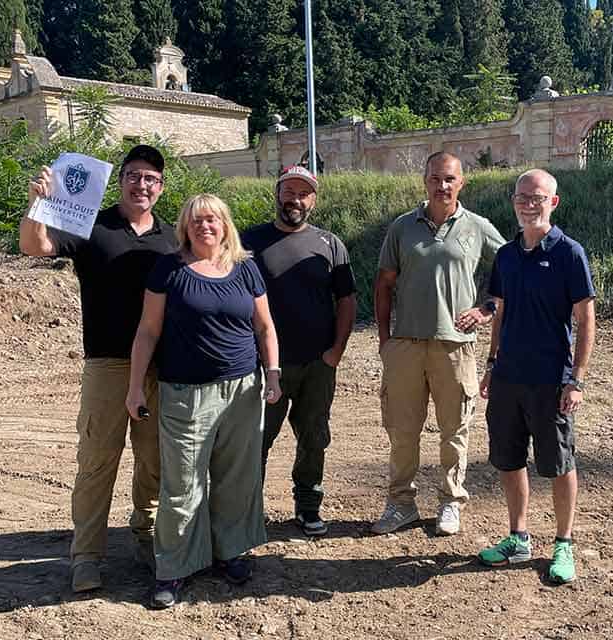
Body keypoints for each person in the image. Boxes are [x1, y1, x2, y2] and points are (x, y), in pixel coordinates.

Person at [20, 145, 175, 594]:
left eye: (150, 178)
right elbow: (36, 246)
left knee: (155, 461)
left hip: (160, 370)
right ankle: (86, 555)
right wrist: (37, 205)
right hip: (108, 364)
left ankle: (145, 538)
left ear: (160, 187)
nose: (141, 184)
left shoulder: (171, 237)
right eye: (133, 175)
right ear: (121, 179)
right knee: (96, 461)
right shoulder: (91, 224)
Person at [126, 193, 281, 609]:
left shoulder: (246, 269)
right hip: (185, 394)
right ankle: (173, 569)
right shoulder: (169, 269)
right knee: (182, 485)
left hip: (243, 391)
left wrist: (273, 374)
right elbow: (147, 331)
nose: (204, 226)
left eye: (212, 219)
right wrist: (135, 386)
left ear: (225, 224)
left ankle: (229, 553)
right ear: (185, 227)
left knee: (236, 477)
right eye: (196, 221)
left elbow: (265, 327)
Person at [372, 151, 506, 537]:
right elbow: (383, 285)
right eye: (435, 178)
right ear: (425, 181)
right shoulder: (402, 228)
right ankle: (401, 505)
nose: (442, 186)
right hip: (406, 347)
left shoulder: (477, 228)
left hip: (455, 346)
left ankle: (450, 502)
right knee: (402, 431)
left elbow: (510, 271)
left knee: (454, 431)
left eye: (449, 179)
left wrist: (486, 309)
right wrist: (385, 340)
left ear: (461, 182)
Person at [477, 169, 596, 585]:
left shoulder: (569, 254)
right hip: (509, 377)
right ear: (514, 202)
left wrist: (575, 379)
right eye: (522, 197)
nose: (529, 204)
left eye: (537, 197)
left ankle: (563, 543)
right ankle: (518, 537)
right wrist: (491, 364)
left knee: (560, 463)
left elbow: (585, 320)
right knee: (509, 461)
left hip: (551, 380)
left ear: (553, 202)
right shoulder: (506, 255)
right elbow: (499, 308)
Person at [241, 165, 357, 537]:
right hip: (264, 366)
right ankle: (246, 512)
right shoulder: (248, 243)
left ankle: (308, 507)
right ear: (276, 194)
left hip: (317, 363)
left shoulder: (330, 244)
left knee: (314, 438)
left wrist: (336, 351)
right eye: (288, 191)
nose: (295, 198)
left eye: (303, 193)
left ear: (314, 200)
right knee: (255, 438)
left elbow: (347, 300)